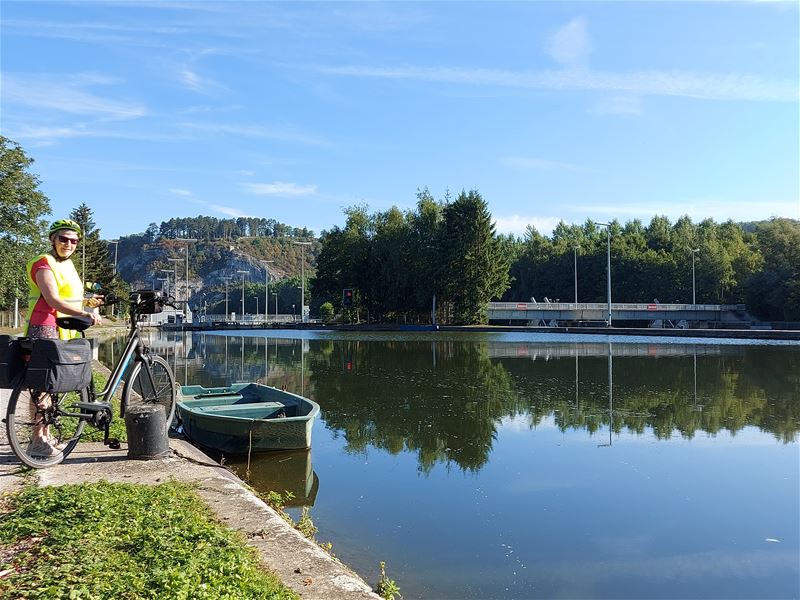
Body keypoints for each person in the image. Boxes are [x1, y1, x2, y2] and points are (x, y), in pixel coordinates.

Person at [23, 218, 103, 457]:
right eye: (63, 239)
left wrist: (90, 303)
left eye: (74, 241)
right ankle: (36, 440)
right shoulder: (43, 263)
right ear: (52, 239)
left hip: (62, 330)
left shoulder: (68, 267)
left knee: (53, 386)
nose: (69, 244)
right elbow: (53, 300)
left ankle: (46, 436)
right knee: (41, 387)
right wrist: (85, 313)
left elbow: (72, 296)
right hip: (43, 328)